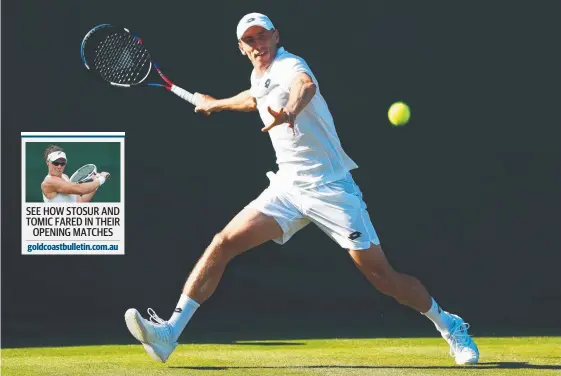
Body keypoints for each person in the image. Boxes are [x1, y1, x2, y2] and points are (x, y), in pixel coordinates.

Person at [124, 13, 479, 365]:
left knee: (383, 278)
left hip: (331, 189)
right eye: (250, 40)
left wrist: (291, 112)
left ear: (276, 36)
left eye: (262, 36)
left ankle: (450, 325)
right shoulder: (259, 74)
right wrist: (215, 103)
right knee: (223, 242)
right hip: (287, 187)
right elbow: (254, 97)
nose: (258, 44)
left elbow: (304, 86)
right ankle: (170, 333)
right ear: (241, 48)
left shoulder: (290, 65)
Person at [41, 145, 109, 203]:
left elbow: (81, 201)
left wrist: (95, 185)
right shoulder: (48, 182)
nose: (59, 166)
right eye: (56, 163)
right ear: (48, 162)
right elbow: (82, 189)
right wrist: (101, 179)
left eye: (62, 163)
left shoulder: (65, 177)